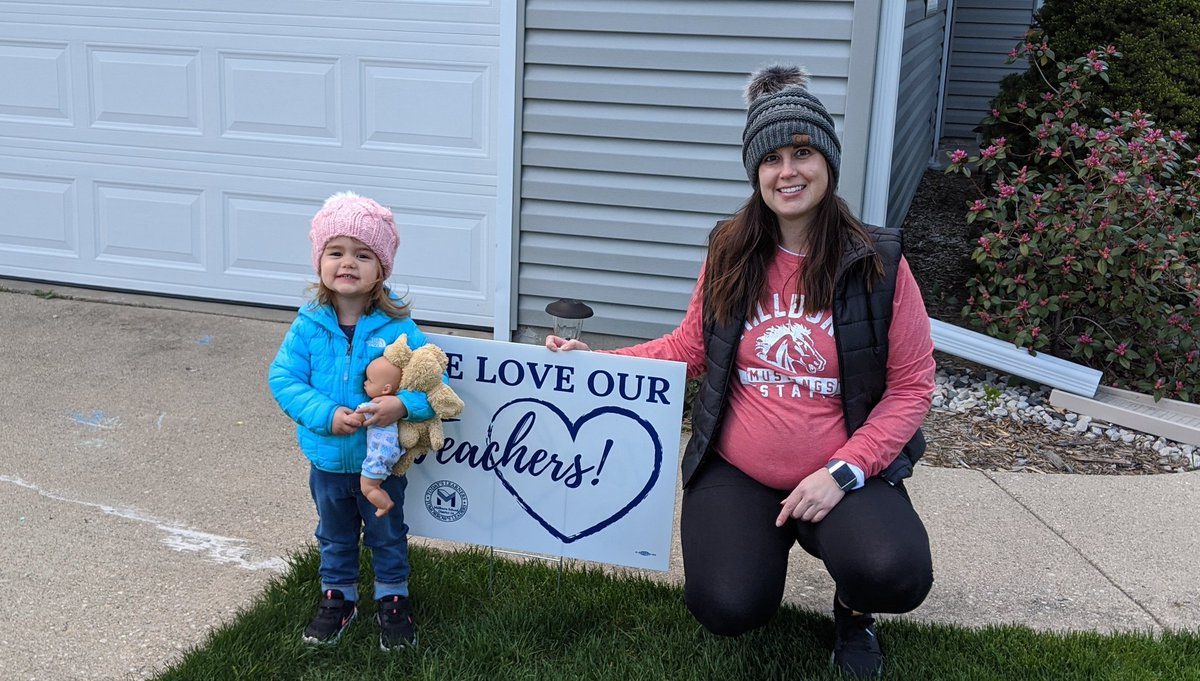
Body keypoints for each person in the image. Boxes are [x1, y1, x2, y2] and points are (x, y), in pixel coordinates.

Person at [546, 65, 935, 678]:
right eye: (772, 158)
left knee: (894, 572)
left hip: (837, 473)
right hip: (739, 470)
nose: (789, 172)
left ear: (827, 161)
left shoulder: (877, 262)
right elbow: (690, 348)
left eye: (803, 152)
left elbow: (912, 387)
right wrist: (595, 363)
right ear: (755, 171)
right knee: (726, 605)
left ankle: (853, 609)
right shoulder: (731, 249)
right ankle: (759, 552)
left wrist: (844, 471)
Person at [269, 191, 433, 651]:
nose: (348, 263)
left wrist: (401, 406)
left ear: (381, 270)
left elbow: (431, 383)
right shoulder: (308, 324)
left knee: (386, 532)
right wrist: (323, 414)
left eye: (363, 255)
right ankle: (339, 597)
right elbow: (283, 378)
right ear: (319, 262)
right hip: (327, 460)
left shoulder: (398, 328)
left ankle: (392, 598)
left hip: (380, 465)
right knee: (334, 534)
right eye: (335, 252)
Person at [359, 345, 407, 518]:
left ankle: (384, 504)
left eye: (369, 381)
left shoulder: (373, 406)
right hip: (392, 451)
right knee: (375, 484)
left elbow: (357, 418)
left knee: (369, 487)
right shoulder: (394, 403)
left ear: (386, 388)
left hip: (378, 454)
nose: (364, 383)